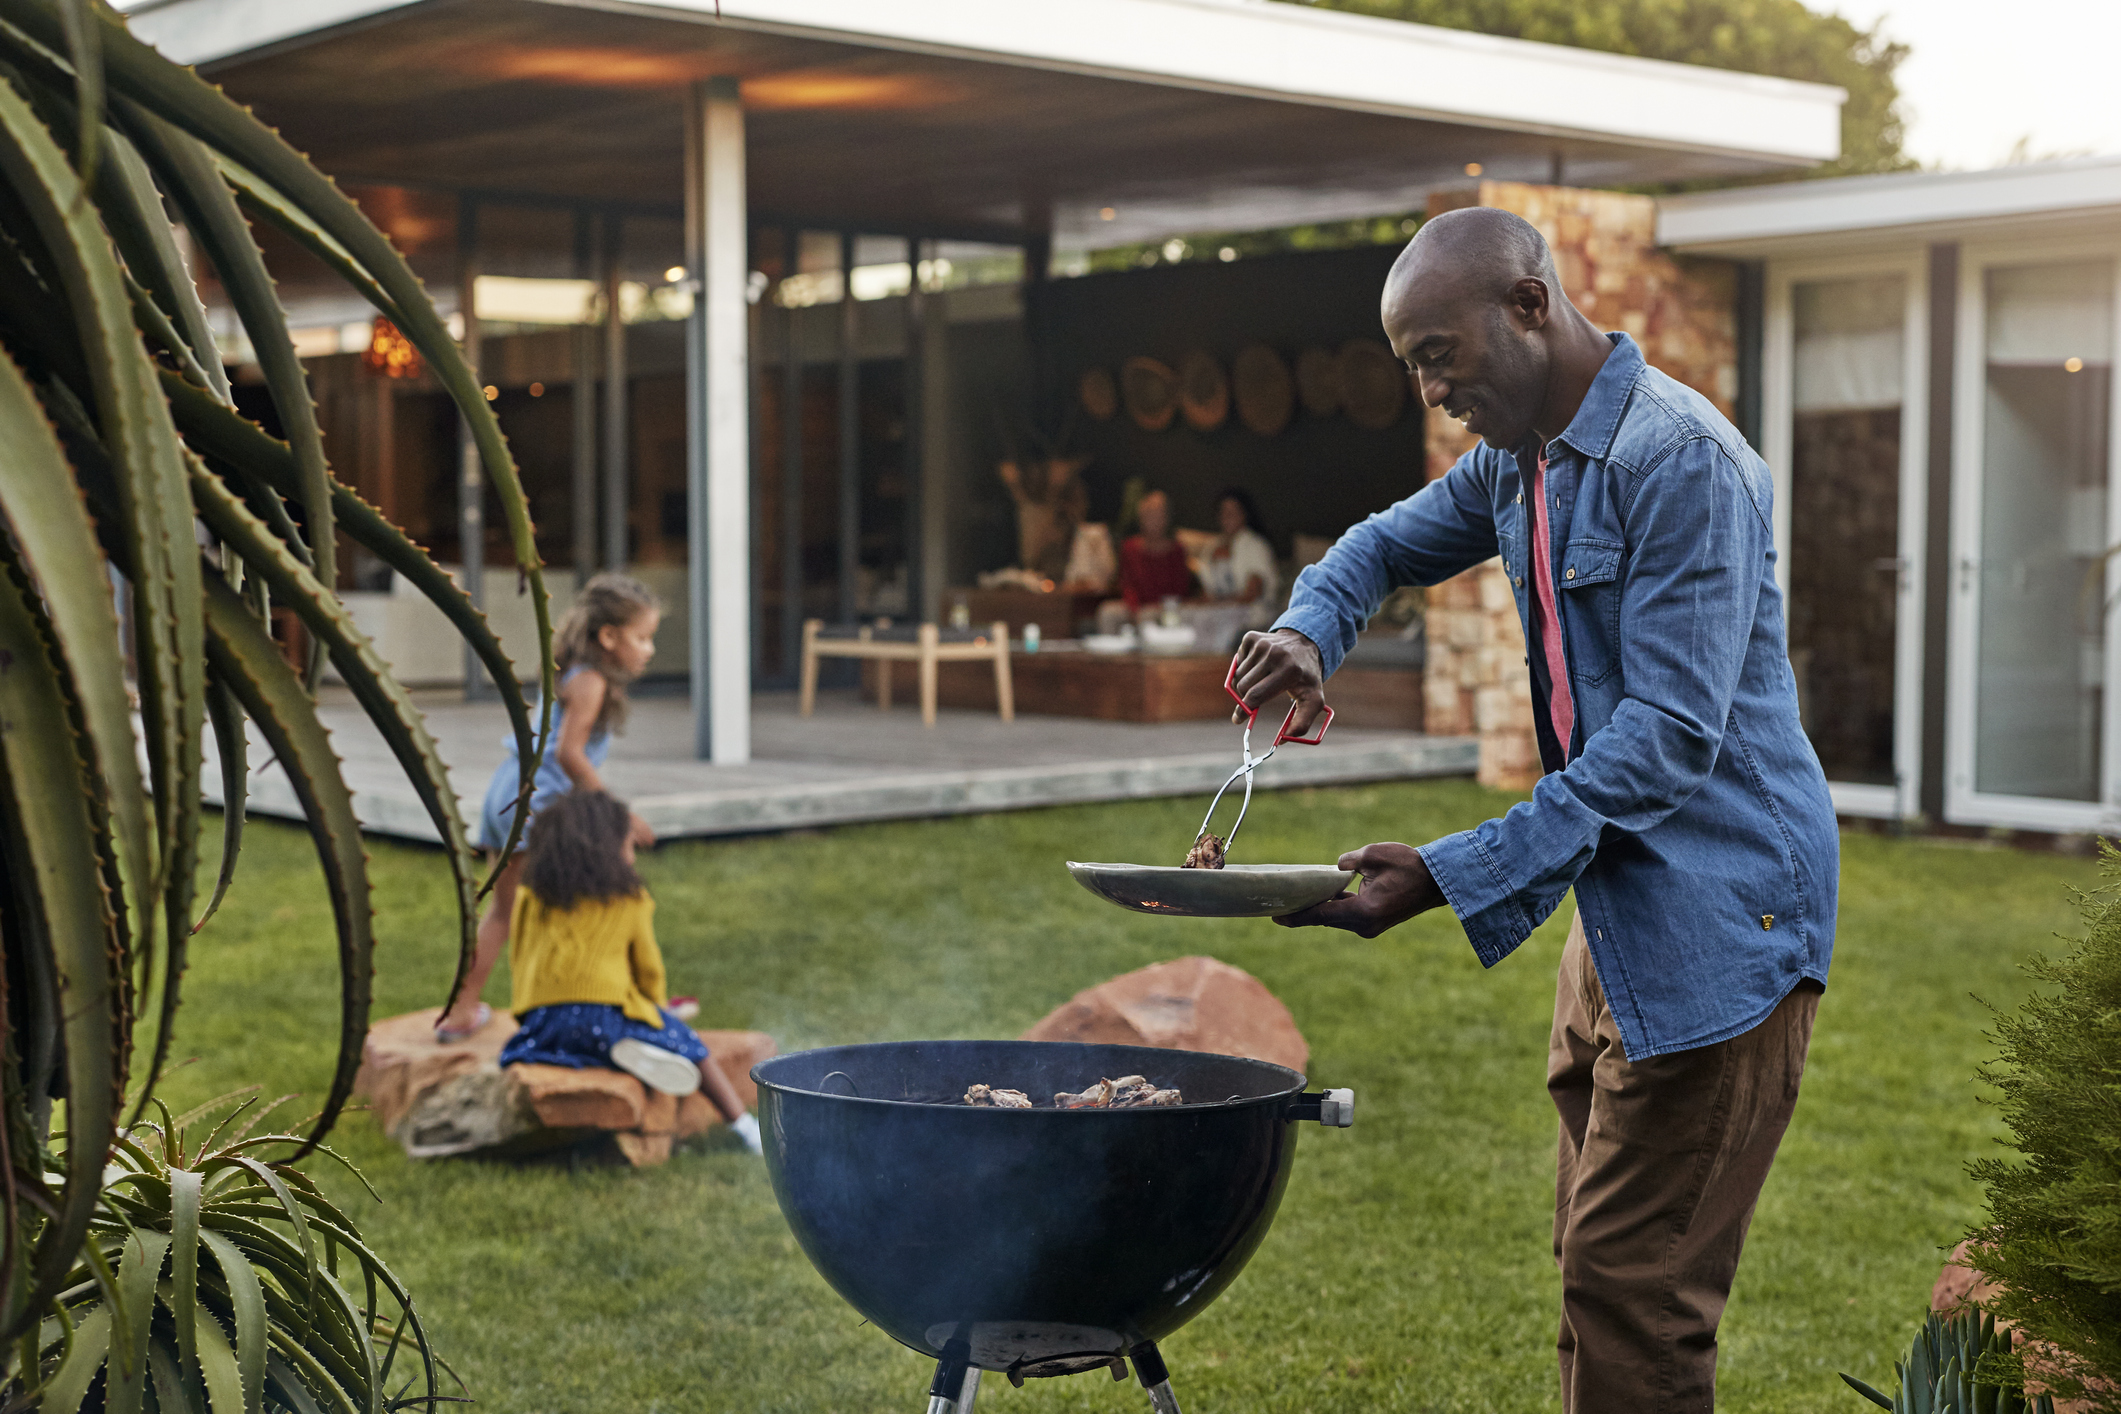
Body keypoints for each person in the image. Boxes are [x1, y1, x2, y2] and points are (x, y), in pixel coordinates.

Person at [1227, 206, 1836, 1413]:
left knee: (1634, 1288)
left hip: (1725, 923)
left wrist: (1452, 870)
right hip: (1614, 915)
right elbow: (1376, 547)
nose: (1431, 389)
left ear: (1528, 304)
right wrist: (1307, 631)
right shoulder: (1524, 461)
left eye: (1438, 355)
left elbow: (1662, 741)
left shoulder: (1682, 463)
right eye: (1413, 365)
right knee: (1594, 1260)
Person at [435, 573, 661, 1042]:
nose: (649, 649)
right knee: (610, 883)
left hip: (512, 794)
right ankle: (636, 999)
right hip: (536, 806)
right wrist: (615, 812)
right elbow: (568, 754)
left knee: (506, 912)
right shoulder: (591, 682)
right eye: (642, 637)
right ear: (609, 636)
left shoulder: (575, 674)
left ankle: (465, 1010)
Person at [497, 790, 762, 1154]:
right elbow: (647, 967)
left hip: (545, 1023)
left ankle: (608, 1052)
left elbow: (520, 957)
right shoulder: (629, 898)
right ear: (608, 848)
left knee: (573, 1042)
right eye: (629, 845)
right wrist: (656, 1009)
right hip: (606, 1014)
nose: (633, 854)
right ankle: (746, 1128)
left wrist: (529, 1011)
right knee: (693, 1048)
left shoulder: (530, 896)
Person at [1198, 487, 1279, 627]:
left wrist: (1220, 605)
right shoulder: (1211, 547)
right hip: (1216, 613)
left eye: (1233, 512)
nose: (1227, 516)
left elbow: (1253, 594)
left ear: (1244, 514)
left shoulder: (1256, 545)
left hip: (1251, 617)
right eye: (1224, 511)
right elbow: (1206, 591)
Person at [1116, 489, 1195, 613]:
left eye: (1158, 516)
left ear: (1167, 518)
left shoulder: (1177, 550)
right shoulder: (1129, 548)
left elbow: (1180, 590)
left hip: (1167, 608)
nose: (1153, 522)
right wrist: (1134, 609)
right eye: (1149, 515)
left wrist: (1162, 608)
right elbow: (1127, 585)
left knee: (1149, 615)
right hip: (1136, 606)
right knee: (1108, 612)